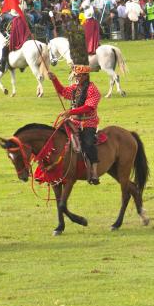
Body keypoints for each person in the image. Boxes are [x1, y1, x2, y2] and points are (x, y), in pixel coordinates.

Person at [48, 24, 102, 185]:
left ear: (85, 76)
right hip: (74, 121)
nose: (76, 78)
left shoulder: (93, 89)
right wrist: (54, 79)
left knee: (87, 143)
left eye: (79, 76)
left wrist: (70, 113)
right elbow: (63, 92)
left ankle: (93, 171)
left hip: (88, 123)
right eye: (76, 76)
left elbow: (88, 108)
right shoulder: (76, 88)